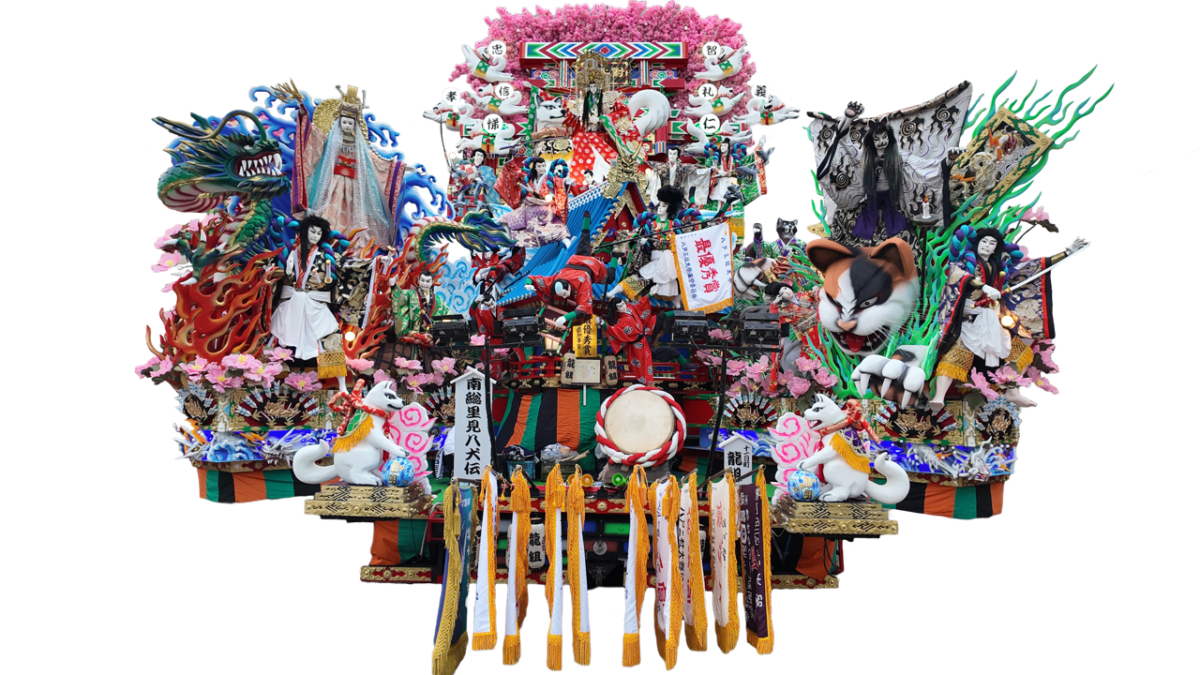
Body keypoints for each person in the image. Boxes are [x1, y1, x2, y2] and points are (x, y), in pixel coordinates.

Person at [929, 228, 1091, 411]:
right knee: (957, 354)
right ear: (977, 244)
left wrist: (1066, 253)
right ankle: (939, 396)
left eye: (991, 243)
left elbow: (1031, 268)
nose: (987, 246)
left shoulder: (1000, 267)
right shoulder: (966, 262)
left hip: (992, 316)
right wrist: (984, 287)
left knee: (1019, 351)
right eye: (984, 242)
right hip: (969, 318)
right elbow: (958, 275)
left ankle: (1012, 391)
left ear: (995, 249)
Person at [281, 83, 406, 251]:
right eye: (345, 122)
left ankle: (349, 247)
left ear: (355, 125)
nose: (347, 125)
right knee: (328, 213)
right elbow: (313, 137)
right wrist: (303, 112)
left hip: (354, 188)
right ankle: (324, 243)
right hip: (333, 184)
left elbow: (376, 161)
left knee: (354, 217)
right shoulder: (331, 142)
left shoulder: (360, 148)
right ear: (339, 122)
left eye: (350, 123)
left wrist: (398, 166)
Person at [270, 215, 349, 391]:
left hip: (315, 303)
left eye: (319, 233)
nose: (315, 235)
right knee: (277, 336)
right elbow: (274, 266)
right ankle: (269, 378)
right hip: (291, 301)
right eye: (312, 231)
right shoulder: (290, 250)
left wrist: (377, 262)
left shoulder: (325, 255)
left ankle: (342, 386)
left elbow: (346, 265)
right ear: (305, 231)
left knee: (331, 336)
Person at [499, 157, 572, 250]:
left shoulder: (549, 178)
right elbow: (516, 175)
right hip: (529, 207)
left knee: (558, 229)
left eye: (543, 166)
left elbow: (559, 182)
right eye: (539, 166)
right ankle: (507, 244)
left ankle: (568, 243)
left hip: (545, 208)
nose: (541, 168)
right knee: (505, 218)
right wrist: (509, 157)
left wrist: (565, 182)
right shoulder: (529, 179)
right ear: (535, 167)